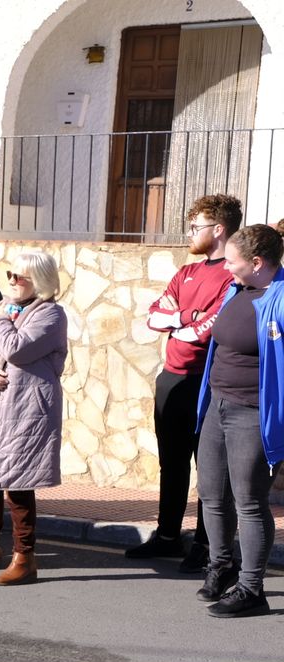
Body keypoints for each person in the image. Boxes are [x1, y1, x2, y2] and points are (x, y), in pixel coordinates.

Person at [128, 194, 242, 571]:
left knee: (210, 470)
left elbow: (204, 334)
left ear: (219, 229)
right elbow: (154, 317)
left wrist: (182, 321)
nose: (191, 233)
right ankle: (167, 535)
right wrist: (186, 316)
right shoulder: (186, 272)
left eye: (197, 227)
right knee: (171, 463)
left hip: (205, 383)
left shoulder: (233, 274)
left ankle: (207, 546)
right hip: (171, 378)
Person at [0, 251, 69, 587]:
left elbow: (17, 349)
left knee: (18, 484)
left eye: (19, 277)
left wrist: (0, 322)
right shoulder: (3, 308)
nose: (11, 282)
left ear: (40, 281)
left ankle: (25, 557)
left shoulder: (50, 314)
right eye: (10, 275)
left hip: (26, 411)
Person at [192, 224, 284, 618]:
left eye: (231, 262)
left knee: (249, 501)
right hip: (219, 405)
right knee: (211, 494)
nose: (226, 268)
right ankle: (221, 567)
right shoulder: (238, 290)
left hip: (252, 414)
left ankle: (251, 589)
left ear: (257, 262)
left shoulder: (279, 299)